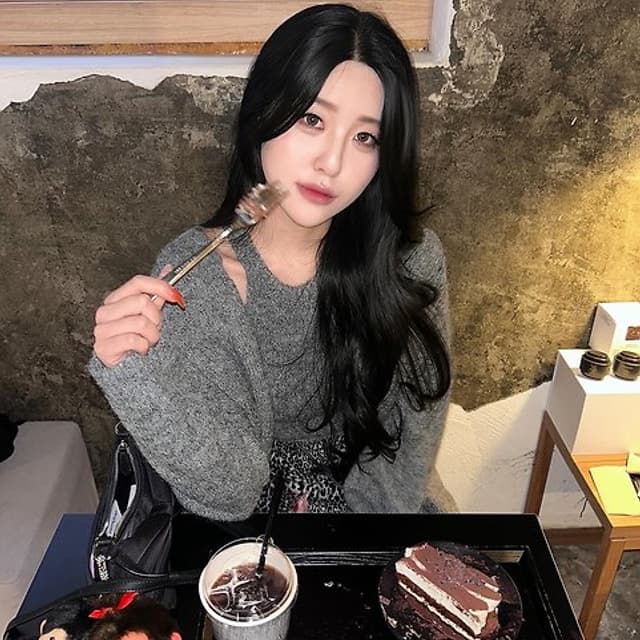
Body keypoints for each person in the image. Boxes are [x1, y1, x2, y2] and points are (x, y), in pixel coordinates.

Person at [89, 3, 454, 519]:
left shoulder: (410, 263)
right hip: (241, 524)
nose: (332, 162)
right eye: (312, 119)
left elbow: (410, 439)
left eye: (365, 137)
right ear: (264, 114)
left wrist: (361, 543)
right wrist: (129, 369)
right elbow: (231, 490)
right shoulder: (197, 277)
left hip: (372, 511)